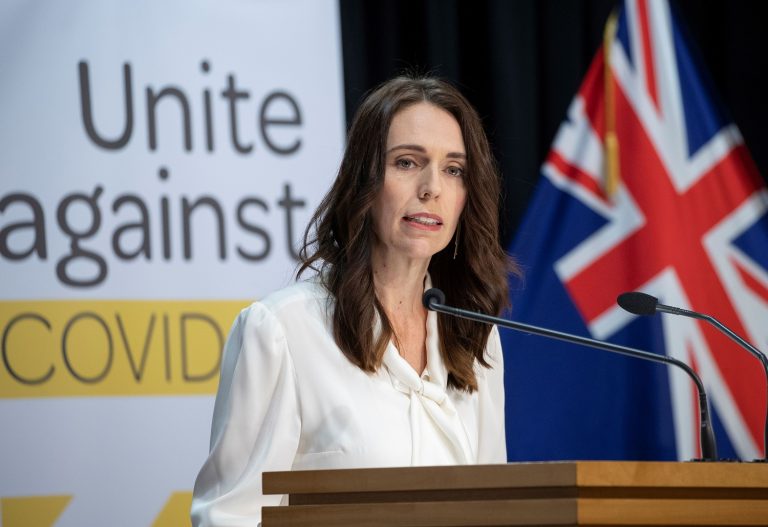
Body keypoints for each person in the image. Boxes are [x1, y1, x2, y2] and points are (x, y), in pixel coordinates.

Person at [191, 75, 514, 526]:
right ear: (364, 180)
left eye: (453, 169)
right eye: (407, 162)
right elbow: (229, 516)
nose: (431, 188)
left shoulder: (476, 336)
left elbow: (492, 509)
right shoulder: (283, 330)